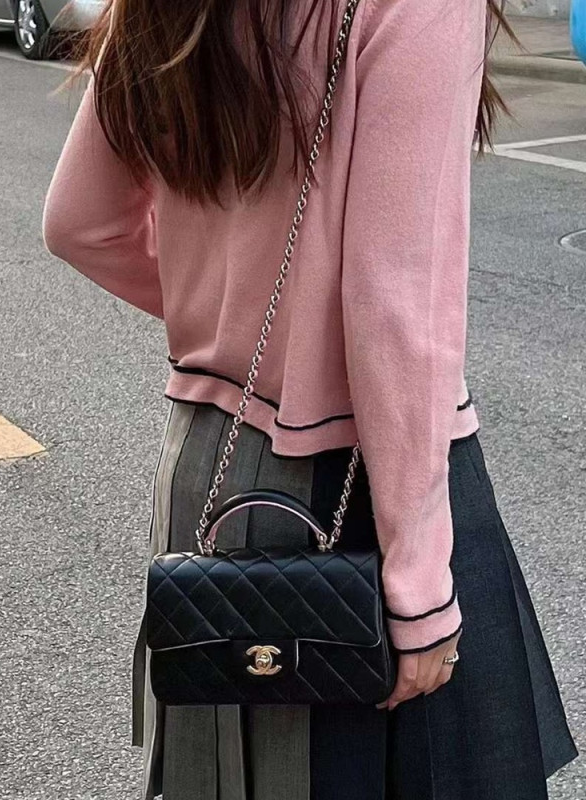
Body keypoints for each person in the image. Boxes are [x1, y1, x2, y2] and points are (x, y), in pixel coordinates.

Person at [42, 0, 579, 797]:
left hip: (208, 468)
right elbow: (394, 308)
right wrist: (420, 593)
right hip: (363, 491)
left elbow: (79, 224)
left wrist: (232, 317)